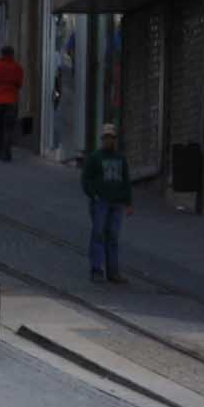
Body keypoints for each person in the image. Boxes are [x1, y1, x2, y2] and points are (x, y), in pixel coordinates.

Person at [81, 121, 132, 284]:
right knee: (98, 235)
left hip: (117, 203)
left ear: (115, 139)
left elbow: (126, 181)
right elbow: (86, 179)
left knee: (113, 237)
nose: (109, 140)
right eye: (106, 137)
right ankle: (96, 270)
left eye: (111, 137)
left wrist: (128, 202)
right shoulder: (95, 157)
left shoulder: (121, 158)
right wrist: (93, 195)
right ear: (102, 139)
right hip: (100, 202)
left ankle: (113, 272)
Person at [0, 44, 24, 161]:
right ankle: (6, 153)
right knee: (8, 128)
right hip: (11, 101)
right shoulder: (17, 68)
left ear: (2, 54)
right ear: (12, 55)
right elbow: (19, 84)